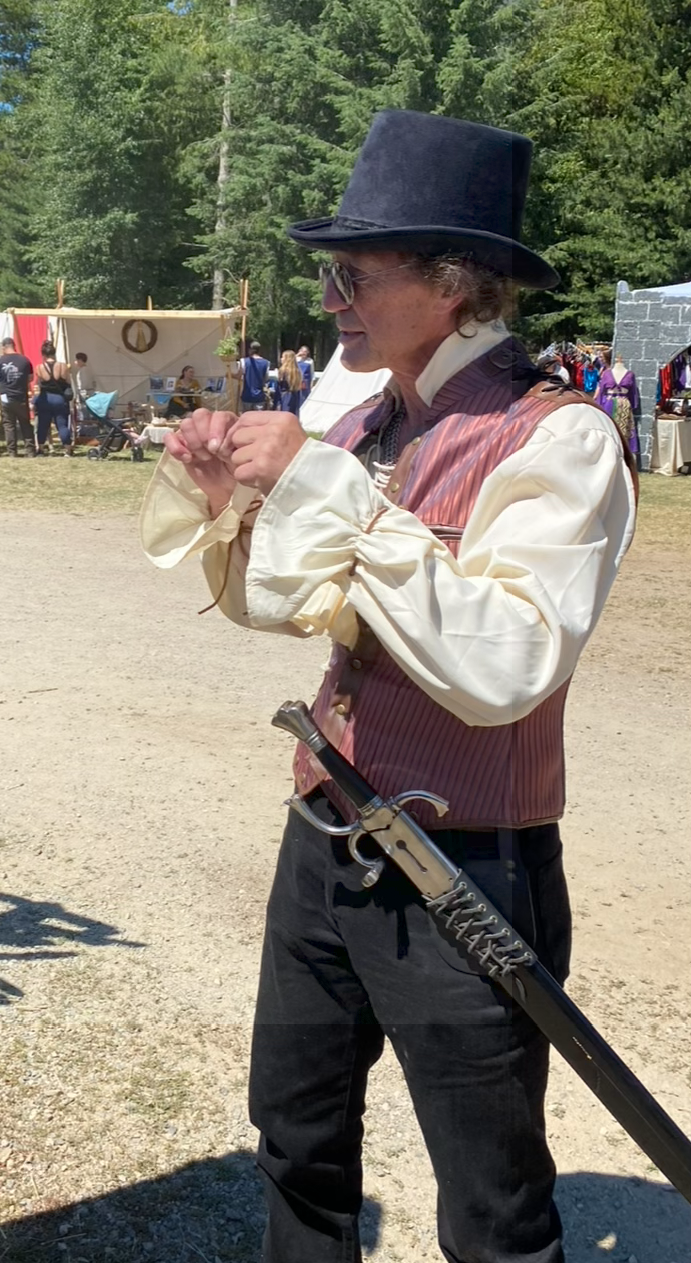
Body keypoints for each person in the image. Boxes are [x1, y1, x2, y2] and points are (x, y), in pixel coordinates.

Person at [141, 111, 637, 1263]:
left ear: (454, 284)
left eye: (352, 273)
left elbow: (504, 665)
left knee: (491, 1208)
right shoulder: (367, 423)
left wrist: (335, 497)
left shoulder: (556, 439)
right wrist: (238, 505)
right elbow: (291, 606)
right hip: (326, 833)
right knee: (297, 1140)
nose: (331, 299)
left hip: (463, 863)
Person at [34, 341, 73, 455]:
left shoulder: (39, 367)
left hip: (45, 398)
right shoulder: (63, 366)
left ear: (43, 355)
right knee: (62, 424)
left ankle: (40, 448)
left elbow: (39, 384)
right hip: (59, 399)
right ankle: (68, 449)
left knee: (43, 424)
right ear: (54, 353)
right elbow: (68, 383)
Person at [0, 336, 35, 457]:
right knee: (25, 423)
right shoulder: (24, 360)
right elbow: (30, 378)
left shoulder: (0, 361)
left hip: (5, 397)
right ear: (14, 346)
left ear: (4, 347)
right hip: (21, 396)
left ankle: (12, 452)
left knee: (9, 425)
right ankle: (30, 451)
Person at [232, 341, 270, 411]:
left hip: (247, 395)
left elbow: (239, 376)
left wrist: (229, 375)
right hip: (259, 396)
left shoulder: (244, 361)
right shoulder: (266, 363)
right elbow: (266, 379)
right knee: (258, 419)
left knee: (247, 419)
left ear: (250, 350)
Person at [276, 349, 303, 415]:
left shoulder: (282, 371)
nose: (281, 359)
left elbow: (279, 387)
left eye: (283, 357)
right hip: (295, 396)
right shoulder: (297, 371)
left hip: (284, 397)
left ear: (287, 359)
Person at [73, 352, 97, 418]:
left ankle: (85, 426)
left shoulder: (82, 371)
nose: (75, 362)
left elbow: (84, 384)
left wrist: (80, 392)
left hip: (84, 394)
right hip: (90, 393)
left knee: (84, 413)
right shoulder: (89, 370)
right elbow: (94, 382)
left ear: (80, 360)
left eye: (76, 360)